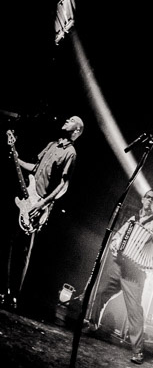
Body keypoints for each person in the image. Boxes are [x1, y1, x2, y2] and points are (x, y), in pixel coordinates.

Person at [85, 189, 153, 365]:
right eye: (147, 197)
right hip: (119, 266)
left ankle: (138, 352)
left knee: (135, 312)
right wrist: (114, 244)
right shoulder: (132, 219)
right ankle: (93, 325)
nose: (149, 200)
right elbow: (117, 237)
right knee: (100, 293)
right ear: (143, 199)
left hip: (135, 272)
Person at [1, 116, 84, 309]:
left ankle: (14, 295)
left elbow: (64, 185)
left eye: (72, 120)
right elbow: (35, 169)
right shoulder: (52, 145)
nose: (67, 119)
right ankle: (5, 290)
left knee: (23, 251)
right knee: (10, 242)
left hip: (38, 207)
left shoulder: (70, 153)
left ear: (77, 130)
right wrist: (16, 157)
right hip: (26, 200)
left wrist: (42, 204)